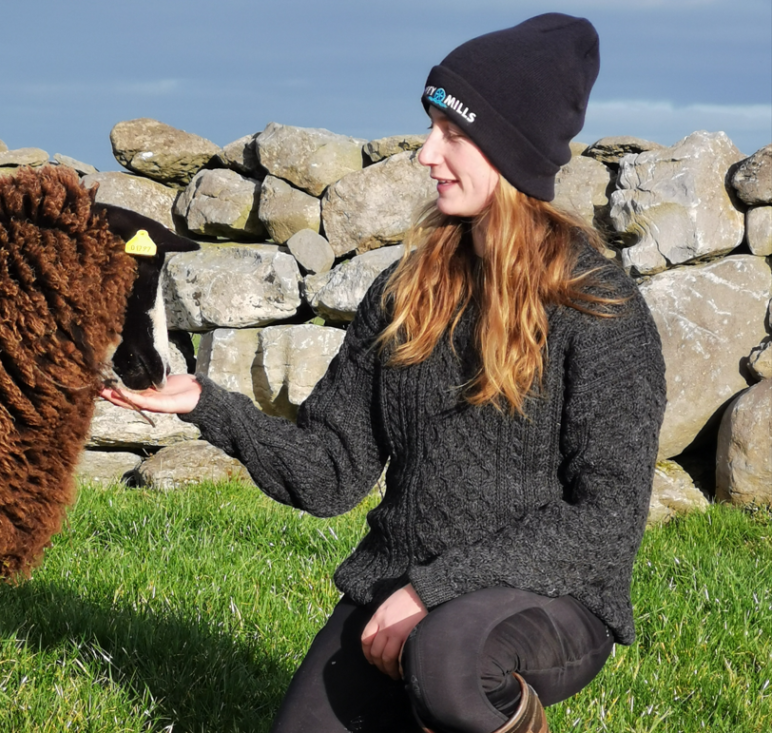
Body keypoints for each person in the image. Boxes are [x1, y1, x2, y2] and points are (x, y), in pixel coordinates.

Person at [101, 13, 666, 733]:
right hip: (401, 583)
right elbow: (332, 471)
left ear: (512, 150)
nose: (428, 153)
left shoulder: (599, 307)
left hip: (547, 595)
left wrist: (432, 592)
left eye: (454, 133)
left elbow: (606, 520)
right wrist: (205, 403)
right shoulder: (405, 292)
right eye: (431, 126)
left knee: (450, 663)